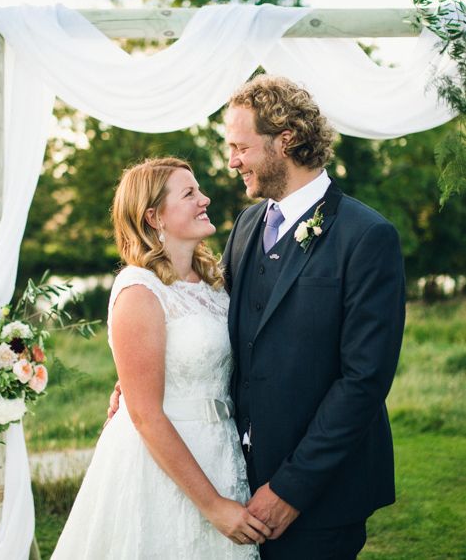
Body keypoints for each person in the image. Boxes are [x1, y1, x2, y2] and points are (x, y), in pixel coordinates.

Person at [221, 75, 405, 559]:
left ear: (285, 141)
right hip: (236, 483)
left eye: (241, 146)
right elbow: (220, 326)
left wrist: (289, 490)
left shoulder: (367, 237)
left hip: (323, 497)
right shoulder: (244, 226)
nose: (232, 161)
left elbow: (363, 380)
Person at [52, 157, 269, 559]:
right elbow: (145, 415)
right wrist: (213, 506)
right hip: (160, 466)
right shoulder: (138, 290)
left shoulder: (214, 284)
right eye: (189, 193)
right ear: (154, 216)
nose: (205, 199)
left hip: (220, 452)